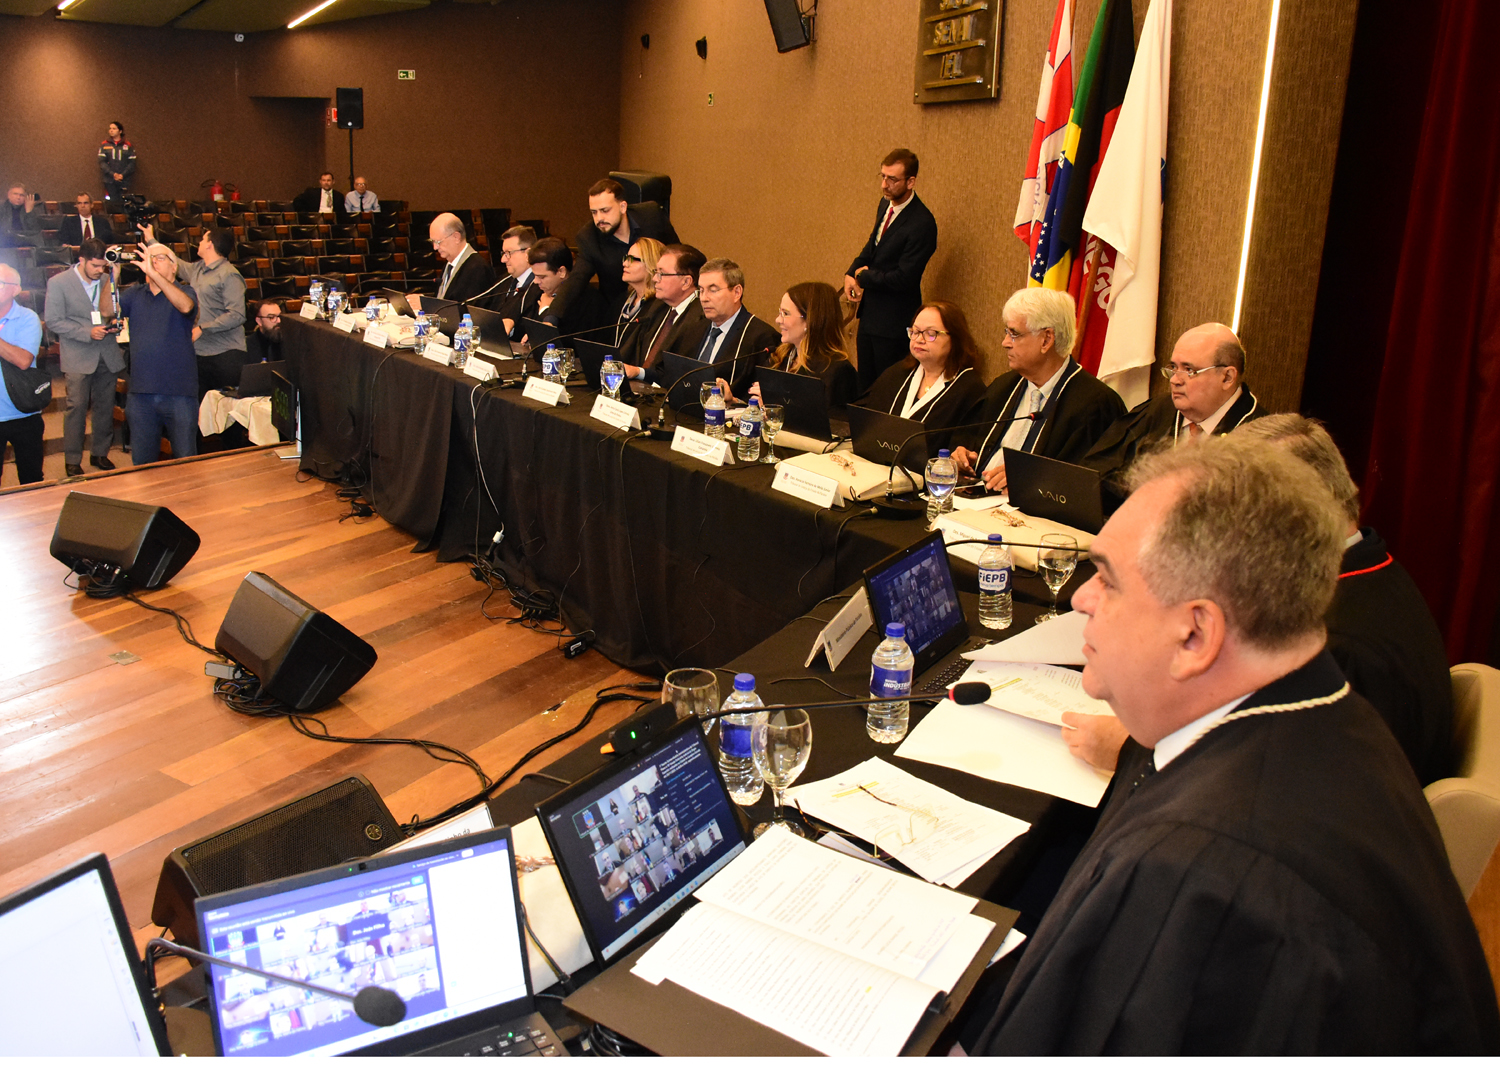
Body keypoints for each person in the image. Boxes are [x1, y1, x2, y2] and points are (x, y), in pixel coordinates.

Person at [967, 436, 1500, 1055]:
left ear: (1196, 635)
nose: (1082, 597)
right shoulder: (1327, 710)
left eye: (1108, 580)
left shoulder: (1201, 872)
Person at [953, 288, 1125, 493]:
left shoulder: (1095, 405)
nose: (1005, 343)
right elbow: (971, 442)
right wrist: (964, 456)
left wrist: (1030, 478)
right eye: (1006, 332)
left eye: (1014, 334)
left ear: (1046, 339)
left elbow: (1090, 484)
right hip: (975, 500)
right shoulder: (1003, 387)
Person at [1083, 322, 1262, 495]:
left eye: (1189, 370)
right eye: (1174, 368)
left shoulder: (1261, 438)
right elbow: (1094, 477)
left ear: (1227, 377)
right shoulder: (1157, 411)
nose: (1175, 380)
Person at [844, 148, 938, 393]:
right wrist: (851, 272)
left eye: (893, 179)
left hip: (893, 322)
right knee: (865, 387)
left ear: (911, 182)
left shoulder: (922, 223)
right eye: (883, 176)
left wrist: (864, 277)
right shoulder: (884, 205)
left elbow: (904, 278)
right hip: (869, 317)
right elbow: (873, 246)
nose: (884, 185)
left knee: (887, 391)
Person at [856, 301, 986, 454]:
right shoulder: (898, 373)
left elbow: (964, 447)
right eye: (915, 331)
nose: (919, 339)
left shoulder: (969, 388)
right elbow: (868, 423)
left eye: (930, 334)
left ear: (955, 338)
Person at [550, 177, 678, 328]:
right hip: (620, 312)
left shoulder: (651, 215)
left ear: (623, 207)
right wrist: (552, 318)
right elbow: (576, 279)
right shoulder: (588, 237)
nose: (599, 219)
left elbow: (677, 252)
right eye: (594, 212)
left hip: (663, 302)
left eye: (605, 211)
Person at [44, 238, 125, 476]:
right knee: (76, 407)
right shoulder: (58, 282)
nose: (100, 270)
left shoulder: (107, 279)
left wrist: (116, 318)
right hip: (78, 353)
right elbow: (53, 321)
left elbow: (113, 310)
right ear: (82, 260)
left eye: (103, 266)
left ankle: (100, 453)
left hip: (107, 352)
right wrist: (86, 332)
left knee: (105, 407)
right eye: (95, 266)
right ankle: (72, 458)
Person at [115, 240, 198, 464]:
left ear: (174, 266)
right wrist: (112, 275)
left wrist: (154, 275)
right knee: (143, 465)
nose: (153, 262)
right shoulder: (135, 293)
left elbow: (186, 307)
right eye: (149, 258)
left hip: (179, 393)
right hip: (141, 393)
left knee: (187, 462)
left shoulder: (185, 291)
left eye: (159, 258)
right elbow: (106, 310)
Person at [159, 224, 246, 396]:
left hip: (225, 354)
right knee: (201, 406)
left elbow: (237, 315)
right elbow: (174, 262)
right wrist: (151, 240)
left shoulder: (229, 274)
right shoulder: (198, 269)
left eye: (202, 239)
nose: (198, 243)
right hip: (200, 353)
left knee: (226, 408)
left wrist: (203, 328)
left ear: (210, 244)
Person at [747, 282, 858, 411]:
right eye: (779, 312)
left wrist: (773, 403)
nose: (778, 320)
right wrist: (735, 400)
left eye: (785, 313)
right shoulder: (780, 358)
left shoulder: (837, 371)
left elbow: (828, 421)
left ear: (810, 320)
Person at [692, 257, 781, 400]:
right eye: (701, 290)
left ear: (737, 292)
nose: (704, 298)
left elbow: (761, 397)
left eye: (713, 290)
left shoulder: (761, 338)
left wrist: (734, 400)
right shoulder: (696, 327)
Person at [621, 244, 707, 383]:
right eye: (655, 272)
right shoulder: (658, 306)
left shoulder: (701, 318)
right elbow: (633, 349)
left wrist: (639, 373)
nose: (655, 278)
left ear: (686, 282)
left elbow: (677, 372)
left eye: (662, 274)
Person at [0, 263, 45, 485]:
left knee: (31, 480)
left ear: (16, 290)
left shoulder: (28, 318)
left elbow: (23, 360)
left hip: (23, 413)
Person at [526, 236, 603, 338]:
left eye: (542, 277)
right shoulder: (540, 292)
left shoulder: (589, 300)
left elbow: (566, 340)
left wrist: (545, 310)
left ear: (562, 272)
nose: (536, 281)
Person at [610, 236, 666, 357]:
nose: (625, 264)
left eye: (632, 259)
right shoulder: (621, 301)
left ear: (651, 264)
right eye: (626, 258)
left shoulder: (659, 307)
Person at [429, 212, 495, 303]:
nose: (435, 247)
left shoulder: (478, 268)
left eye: (438, 242)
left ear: (456, 237)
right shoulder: (449, 265)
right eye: (433, 242)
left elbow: (472, 308)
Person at [98, 122, 135, 203]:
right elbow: (102, 162)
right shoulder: (105, 145)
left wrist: (123, 175)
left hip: (124, 180)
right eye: (110, 128)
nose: (111, 130)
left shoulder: (128, 145)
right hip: (109, 180)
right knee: (112, 203)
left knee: (124, 202)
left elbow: (132, 163)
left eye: (114, 128)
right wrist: (113, 174)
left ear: (120, 131)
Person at [245, 300, 283, 364]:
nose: (279, 321)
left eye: (280, 316)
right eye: (272, 317)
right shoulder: (246, 347)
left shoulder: (291, 342)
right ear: (259, 321)